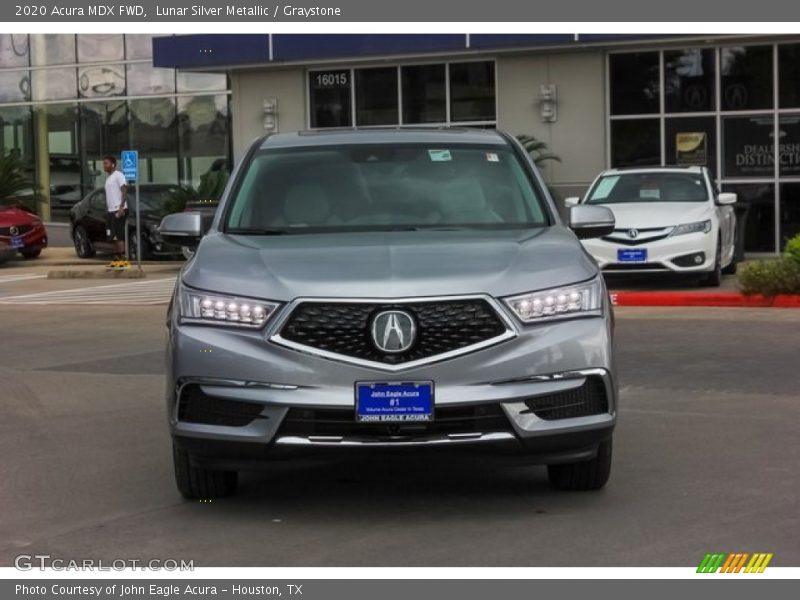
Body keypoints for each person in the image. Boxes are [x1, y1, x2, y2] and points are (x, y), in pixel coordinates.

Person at [102, 155, 128, 266]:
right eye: (104, 163)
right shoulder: (108, 178)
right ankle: (117, 260)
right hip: (111, 211)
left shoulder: (119, 175)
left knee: (119, 235)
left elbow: (124, 189)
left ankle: (123, 261)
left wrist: (121, 206)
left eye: (106, 163)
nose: (104, 166)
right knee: (113, 236)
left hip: (119, 209)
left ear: (113, 164)